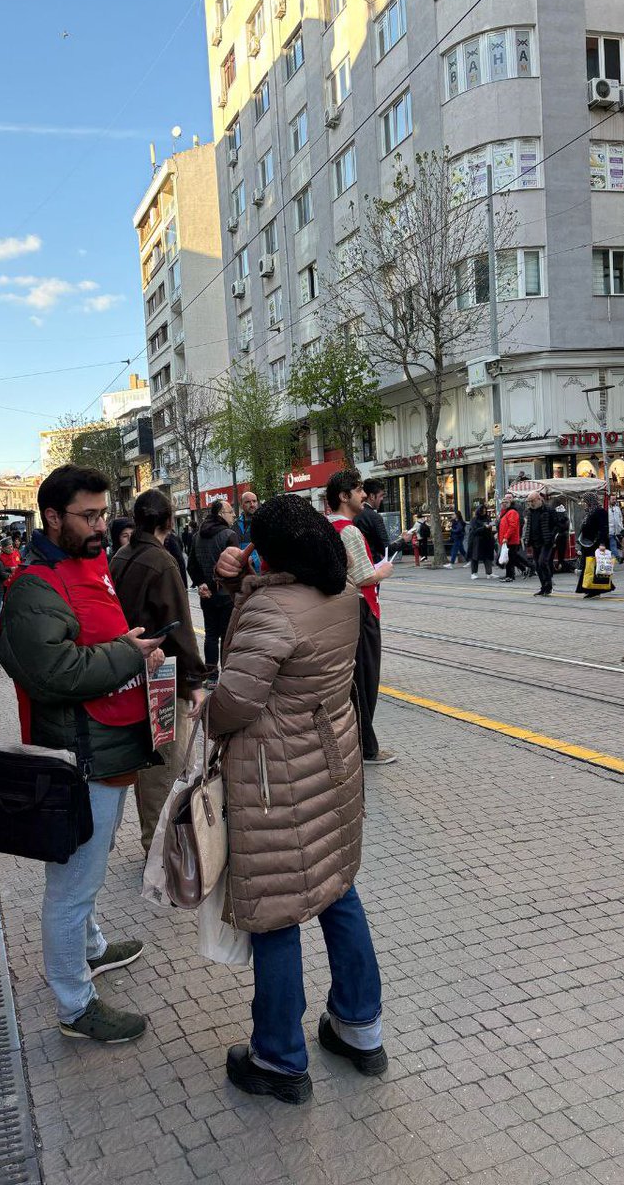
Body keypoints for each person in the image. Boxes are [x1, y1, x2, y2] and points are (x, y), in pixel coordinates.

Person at [210, 494, 386, 1104]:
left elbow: (233, 703)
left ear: (272, 551)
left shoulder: (272, 609)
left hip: (272, 782)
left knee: (276, 910)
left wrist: (244, 598)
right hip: (331, 768)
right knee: (339, 891)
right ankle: (360, 1028)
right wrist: (242, 587)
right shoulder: (339, 596)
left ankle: (280, 1060)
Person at [0, 465, 165, 1043]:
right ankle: (74, 1005)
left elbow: (96, 644)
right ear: (52, 517)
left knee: (83, 880)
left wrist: (136, 654)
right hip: (80, 758)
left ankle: (90, 950)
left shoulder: (87, 564)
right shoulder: (35, 585)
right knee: (71, 888)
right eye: (88, 516)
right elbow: (53, 672)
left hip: (108, 750)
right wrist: (128, 654)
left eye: (102, 512)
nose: (102, 525)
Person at [111, 489, 207, 854]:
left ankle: (156, 844)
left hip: (130, 672)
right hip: (164, 678)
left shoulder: (121, 555)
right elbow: (179, 627)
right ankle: (159, 852)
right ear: (169, 521)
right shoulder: (161, 561)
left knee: (154, 766)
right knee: (164, 766)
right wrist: (196, 682)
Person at [326, 470, 396, 767]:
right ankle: (367, 747)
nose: (364, 495)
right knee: (366, 680)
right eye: (357, 490)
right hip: (361, 610)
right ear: (344, 496)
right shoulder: (349, 530)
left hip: (340, 613)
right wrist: (383, 570)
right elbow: (364, 575)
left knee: (351, 679)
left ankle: (356, 741)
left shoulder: (326, 526)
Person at [188, 498, 241, 676]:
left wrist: (202, 584)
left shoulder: (197, 536)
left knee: (210, 634)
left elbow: (191, 565)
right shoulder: (229, 535)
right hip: (226, 594)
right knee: (227, 636)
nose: (234, 514)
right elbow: (235, 567)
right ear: (220, 514)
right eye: (230, 511)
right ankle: (226, 674)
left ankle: (211, 674)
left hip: (206, 595)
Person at [575, 493, 614, 598]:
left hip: (596, 544)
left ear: (590, 501)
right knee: (589, 567)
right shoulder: (589, 513)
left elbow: (603, 529)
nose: (583, 503)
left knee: (594, 567)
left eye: (584, 501)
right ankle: (590, 588)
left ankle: (595, 589)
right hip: (587, 544)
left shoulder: (600, 512)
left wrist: (602, 544)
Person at [524, 492, 555, 597]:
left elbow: (559, 523)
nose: (531, 503)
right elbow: (529, 526)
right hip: (534, 541)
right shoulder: (530, 511)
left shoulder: (548, 509)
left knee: (542, 562)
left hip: (546, 542)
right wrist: (527, 538)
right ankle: (543, 587)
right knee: (537, 565)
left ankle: (548, 585)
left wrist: (552, 535)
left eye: (532, 501)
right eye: (529, 502)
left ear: (539, 499)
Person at [354, 479, 391, 564]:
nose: (382, 499)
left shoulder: (354, 513)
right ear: (372, 496)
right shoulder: (374, 517)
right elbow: (386, 549)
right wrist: (403, 540)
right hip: (372, 564)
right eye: (381, 495)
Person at [497, 497, 526, 582]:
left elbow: (512, 526)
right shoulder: (505, 512)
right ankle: (509, 575)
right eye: (502, 502)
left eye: (506, 502)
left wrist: (506, 537)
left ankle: (511, 576)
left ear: (510, 503)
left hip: (511, 540)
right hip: (506, 540)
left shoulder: (512, 512)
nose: (504, 504)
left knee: (510, 559)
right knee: (509, 559)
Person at [466, 505, 495, 579]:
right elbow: (474, 530)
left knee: (487, 557)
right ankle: (474, 573)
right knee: (475, 557)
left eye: (485, 511)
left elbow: (489, 527)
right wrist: (484, 527)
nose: (484, 512)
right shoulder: (474, 519)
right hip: (477, 541)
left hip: (487, 540)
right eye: (483, 511)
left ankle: (489, 573)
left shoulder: (487, 518)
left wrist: (490, 526)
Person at [235, 491, 261, 574]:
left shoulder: (263, 523)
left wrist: (253, 560)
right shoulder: (235, 525)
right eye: (248, 502)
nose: (252, 504)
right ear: (242, 505)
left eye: (254, 501)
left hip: (259, 573)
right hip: (240, 572)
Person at [552, 503, 570, 572]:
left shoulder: (563, 519)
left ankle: (560, 566)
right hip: (559, 537)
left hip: (560, 537)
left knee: (560, 554)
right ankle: (559, 565)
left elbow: (564, 527)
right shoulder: (564, 519)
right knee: (559, 554)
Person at [608, 497, 624, 564]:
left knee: (612, 545)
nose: (614, 501)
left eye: (615, 499)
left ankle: (610, 558)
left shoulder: (617, 508)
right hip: (610, 530)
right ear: (609, 500)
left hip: (617, 530)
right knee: (613, 544)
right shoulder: (606, 509)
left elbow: (620, 517)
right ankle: (618, 557)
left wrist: (621, 526)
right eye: (613, 499)